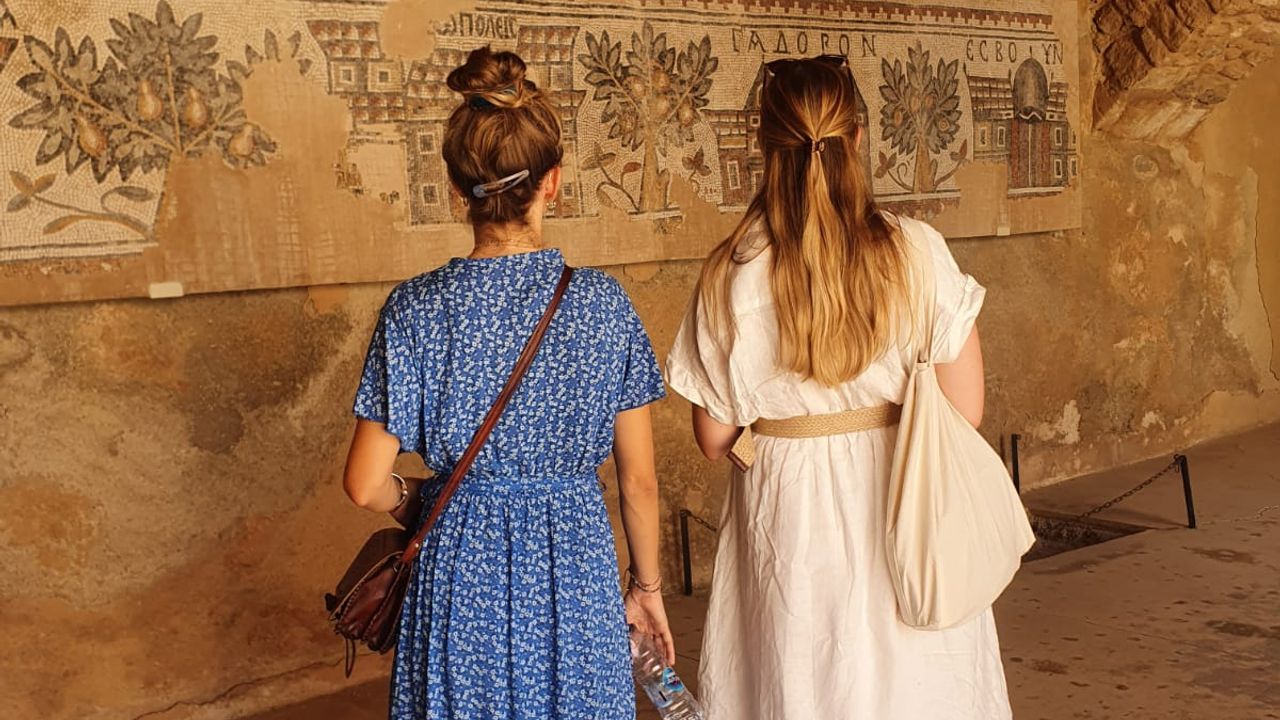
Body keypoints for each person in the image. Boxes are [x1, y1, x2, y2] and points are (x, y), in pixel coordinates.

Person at [665, 55, 1012, 719]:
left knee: (803, 669)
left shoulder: (728, 274)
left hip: (788, 513)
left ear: (765, 151)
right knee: (917, 675)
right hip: (906, 496)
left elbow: (713, 438)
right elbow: (964, 409)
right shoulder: (915, 249)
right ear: (857, 139)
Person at [341, 46, 673, 720]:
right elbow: (639, 481)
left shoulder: (414, 310)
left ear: (458, 190)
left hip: (460, 570)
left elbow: (364, 484)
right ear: (553, 181)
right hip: (574, 569)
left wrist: (419, 497)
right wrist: (647, 587)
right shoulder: (603, 305)